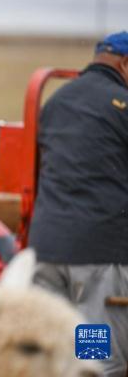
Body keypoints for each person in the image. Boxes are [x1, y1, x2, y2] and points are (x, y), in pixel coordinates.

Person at [28, 31, 128, 377]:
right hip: (96, 262)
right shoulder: (122, 104)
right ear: (125, 64)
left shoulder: (56, 101)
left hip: (45, 253)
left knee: (50, 355)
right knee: (94, 357)